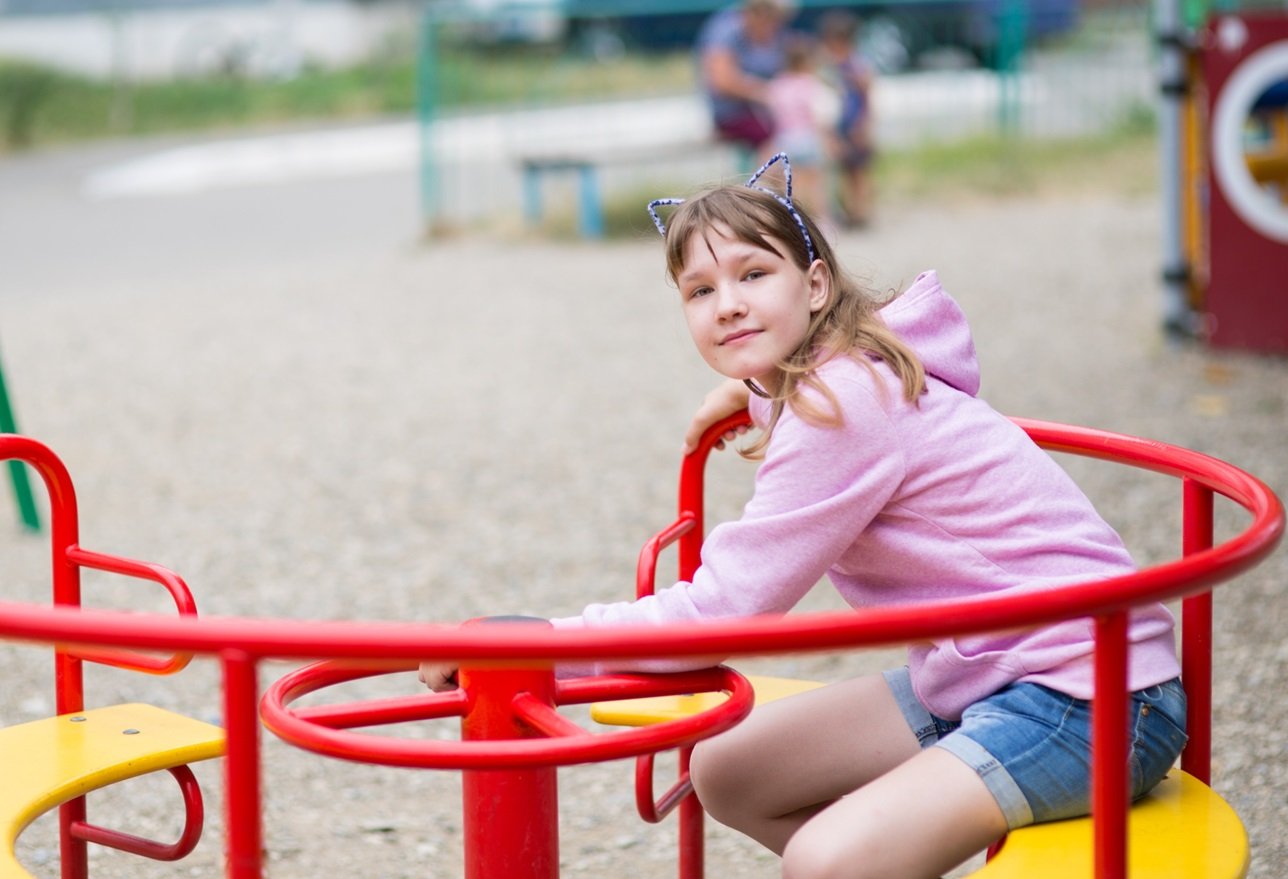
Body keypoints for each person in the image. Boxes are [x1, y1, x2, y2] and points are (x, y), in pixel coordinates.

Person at [420, 154, 1189, 879]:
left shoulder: (837, 404)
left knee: (825, 860)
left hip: (1093, 697)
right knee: (730, 770)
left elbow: (725, 609)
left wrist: (540, 646)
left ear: (815, 284)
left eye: (754, 273)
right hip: (989, 671)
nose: (728, 303)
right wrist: (756, 390)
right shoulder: (840, 369)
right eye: (699, 290)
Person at [697, 0, 795, 151]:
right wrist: (764, 92)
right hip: (733, 114)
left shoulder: (776, 33)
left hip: (764, 111)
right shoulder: (726, 30)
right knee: (782, 138)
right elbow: (722, 81)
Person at [765, 34, 838, 223]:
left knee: (792, 184)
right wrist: (829, 140)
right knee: (816, 184)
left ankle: (796, 220)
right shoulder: (811, 84)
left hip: (786, 139)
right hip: (809, 138)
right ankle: (822, 220)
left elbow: (773, 113)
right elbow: (822, 115)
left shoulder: (778, 85)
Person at [819, 10, 875, 227]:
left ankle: (860, 211)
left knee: (858, 172)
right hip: (838, 126)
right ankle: (849, 210)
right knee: (842, 171)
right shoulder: (829, 66)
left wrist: (864, 125)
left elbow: (866, 96)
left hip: (855, 124)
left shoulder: (857, 65)